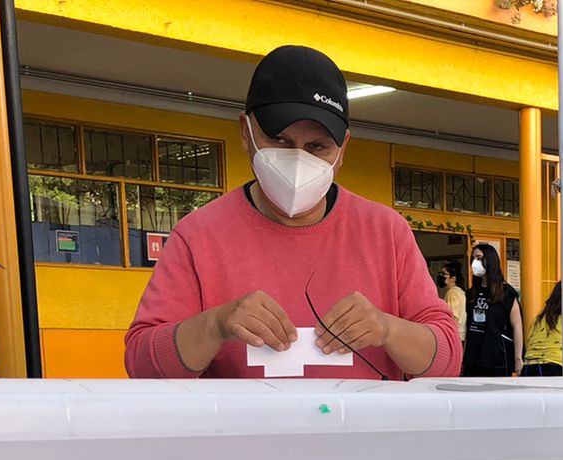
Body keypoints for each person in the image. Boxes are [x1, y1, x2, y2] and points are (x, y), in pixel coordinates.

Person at [125, 45, 459, 380]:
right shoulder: (198, 236)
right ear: (245, 132)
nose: (298, 160)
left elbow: (447, 360)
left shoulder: (387, 232)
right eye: (280, 140)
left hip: (361, 417)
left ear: (343, 149)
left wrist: (387, 329)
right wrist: (214, 325)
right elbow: (142, 365)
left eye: (317, 147)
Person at [461, 242, 523, 377]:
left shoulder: (506, 292)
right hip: (473, 355)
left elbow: (517, 326)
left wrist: (518, 358)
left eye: (479, 258)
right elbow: (467, 326)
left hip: (498, 354)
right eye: (473, 258)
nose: (475, 262)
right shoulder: (471, 294)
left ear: (490, 260)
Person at [437, 262, 466, 343]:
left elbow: (454, 317)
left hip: (454, 336)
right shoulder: (459, 292)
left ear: (453, 278)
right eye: (440, 273)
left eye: (444, 274)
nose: (441, 276)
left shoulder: (452, 293)